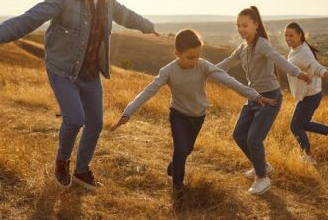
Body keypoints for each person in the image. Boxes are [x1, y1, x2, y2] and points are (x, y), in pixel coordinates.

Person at [0, 0, 158, 190]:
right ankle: (62, 161)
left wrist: (148, 27)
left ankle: (81, 171)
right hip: (62, 70)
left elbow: (127, 16)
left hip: (90, 72)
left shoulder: (109, 0)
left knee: (95, 124)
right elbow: (30, 18)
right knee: (75, 119)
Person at [110, 29, 276, 196]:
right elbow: (148, 91)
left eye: (197, 56)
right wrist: (127, 113)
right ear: (177, 53)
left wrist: (255, 96)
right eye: (190, 57)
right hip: (178, 115)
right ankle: (178, 188)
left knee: (186, 150)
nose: (194, 60)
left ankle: (174, 166)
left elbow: (229, 81)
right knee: (181, 149)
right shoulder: (168, 71)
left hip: (198, 116)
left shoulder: (203, 65)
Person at [216, 6, 310, 196]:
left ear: (255, 25)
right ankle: (263, 166)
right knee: (239, 135)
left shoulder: (262, 44)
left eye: (245, 25)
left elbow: (278, 59)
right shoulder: (242, 49)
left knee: (254, 139)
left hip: (270, 98)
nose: (241, 29)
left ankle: (263, 178)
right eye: (238, 26)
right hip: (253, 97)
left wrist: (297, 73)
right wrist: (205, 71)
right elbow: (226, 62)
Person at [285, 22, 328, 163]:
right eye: (286, 35)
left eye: (291, 35)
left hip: (310, 96)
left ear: (300, 35)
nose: (287, 38)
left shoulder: (304, 52)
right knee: (304, 124)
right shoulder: (296, 49)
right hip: (307, 94)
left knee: (296, 127)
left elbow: (317, 68)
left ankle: (309, 157)